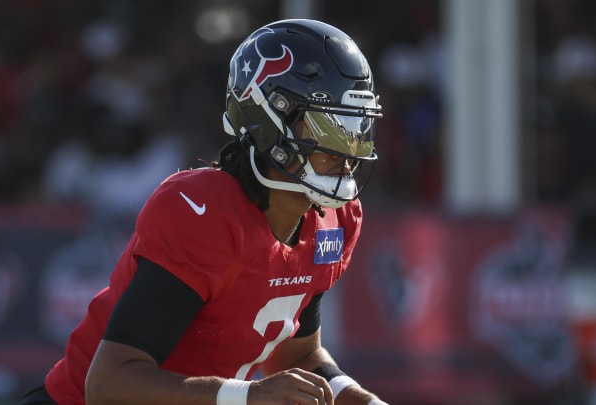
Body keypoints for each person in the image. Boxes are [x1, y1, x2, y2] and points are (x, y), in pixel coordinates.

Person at [21, 18, 388, 405]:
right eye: (330, 128)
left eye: (357, 127)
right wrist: (249, 396)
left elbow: (296, 356)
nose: (349, 151)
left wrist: (360, 400)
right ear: (270, 120)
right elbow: (109, 384)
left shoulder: (335, 221)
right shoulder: (204, 213)